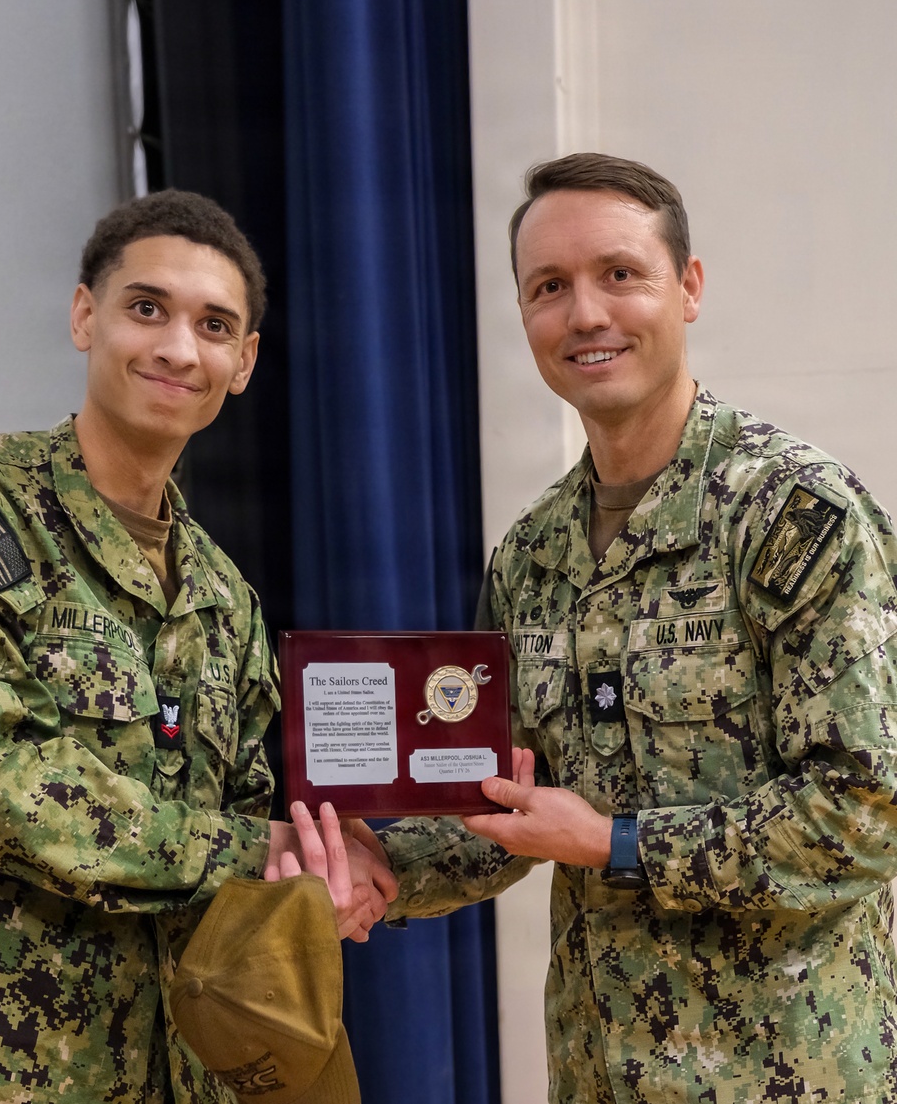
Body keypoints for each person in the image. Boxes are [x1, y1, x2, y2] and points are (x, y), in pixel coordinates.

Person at [366, 154, 897, 1102]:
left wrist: (619, 842)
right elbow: (503, 811)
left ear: (688, 287)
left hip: (786, 1079)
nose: (586, 314)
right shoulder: (532, 555)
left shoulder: (791, 515)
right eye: (549, 287)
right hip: (596, 1074)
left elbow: (865, 812)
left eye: (620, 274)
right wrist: (369, 871)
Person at [0, 189, 395, 1103]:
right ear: (86, 314)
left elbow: (264, 831)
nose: (177, 347)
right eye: (146, 308)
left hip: (185, 1073)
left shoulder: (225, 601)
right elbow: (0, 789)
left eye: (214, 326)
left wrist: (331, 869)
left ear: (242, 363)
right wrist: (260, 850)